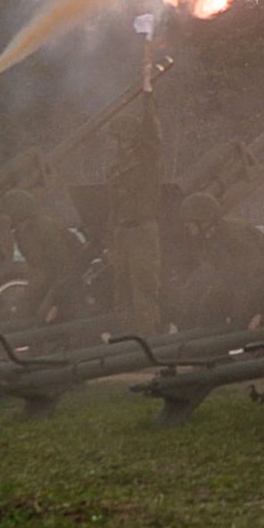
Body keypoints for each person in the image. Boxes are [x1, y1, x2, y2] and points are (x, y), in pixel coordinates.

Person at [179, 192, 264, 330]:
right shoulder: (210, 238)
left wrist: (259, 312)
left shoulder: (235, 237)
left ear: (204, 221)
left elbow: (261, 276)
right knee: (211, 302)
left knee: (239, 316)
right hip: (242, 287)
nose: (186, 228)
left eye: (189, 223)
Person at [108, 72, 164, 333]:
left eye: (118, 138)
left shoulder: (148, 162)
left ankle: (146, 341)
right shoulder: (117, 168)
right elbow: (114, 206)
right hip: (123, 232)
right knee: (121, 290)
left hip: (142, 231)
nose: (115, 144)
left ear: (129, 138)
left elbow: (152, 131)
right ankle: (125, 340)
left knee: (143, 290)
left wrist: (147, 94)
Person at [0, 189, 86, 325]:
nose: (7, 218)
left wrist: (54, 303)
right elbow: (37, 268)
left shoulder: (44, 227)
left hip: (67, 278)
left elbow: (63, 266)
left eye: (9, 213)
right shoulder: (20, 233)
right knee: (23, 310)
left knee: (47, 316)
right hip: (49, 278)